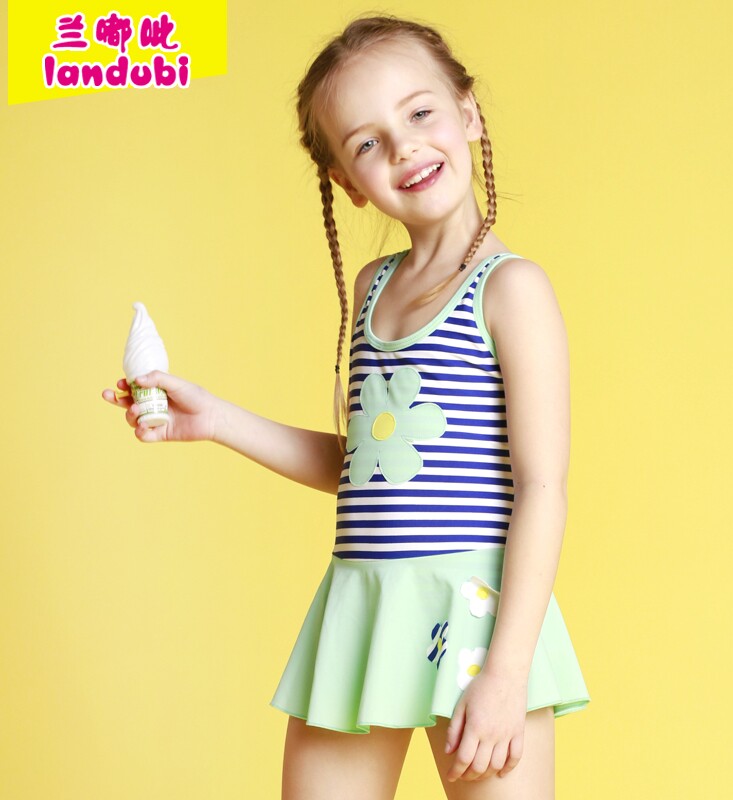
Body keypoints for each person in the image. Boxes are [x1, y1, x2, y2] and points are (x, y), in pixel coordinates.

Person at [102, 14, 590, 799]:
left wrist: (506, 671)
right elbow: (371, 469)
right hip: (361, 611)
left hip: (480, 619)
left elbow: (542, 488)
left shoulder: (512, 290)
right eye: (367, 142)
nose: (404, 148)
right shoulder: (372, 290)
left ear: (468, 112)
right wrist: (216, 419)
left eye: (420, 113)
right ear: (345, 180)